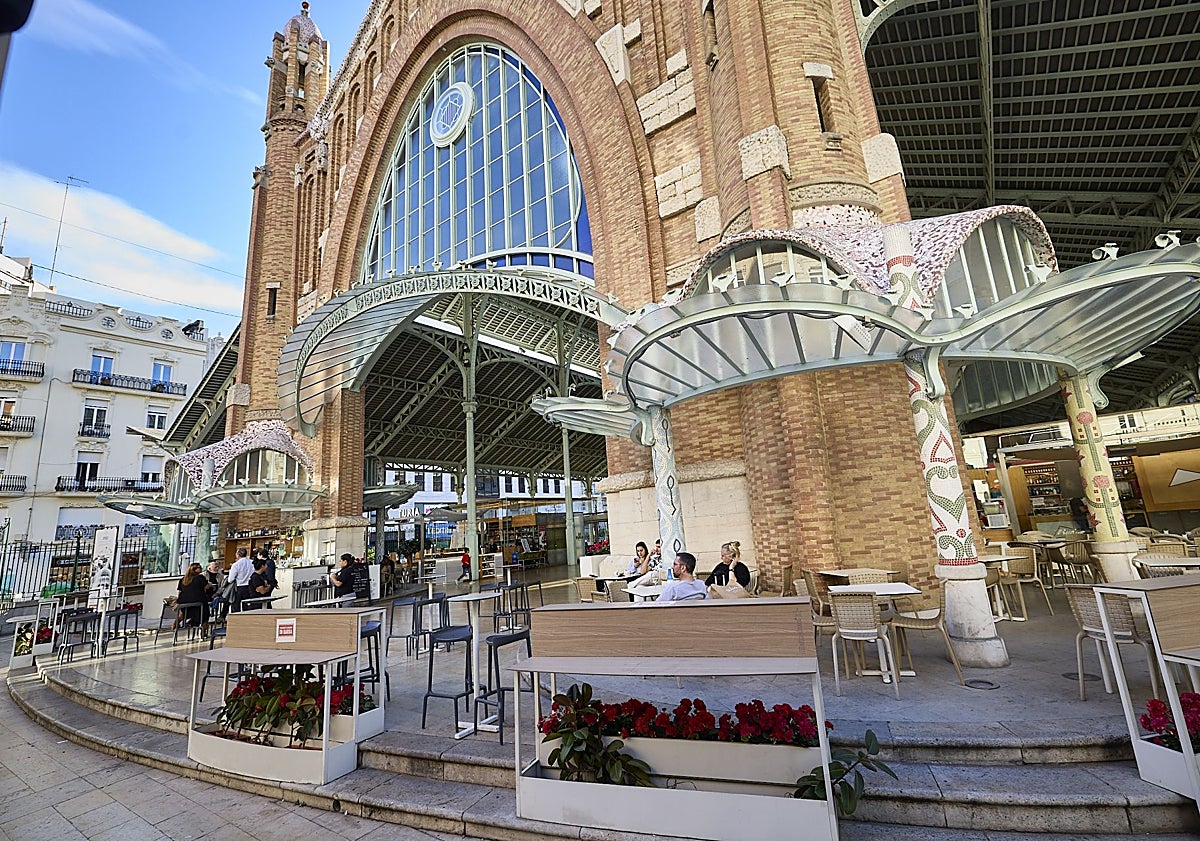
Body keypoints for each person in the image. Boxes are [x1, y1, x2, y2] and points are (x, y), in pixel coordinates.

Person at [175, 562, 212, 634]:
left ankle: (179, 622)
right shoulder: (200, 578)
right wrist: (211, 586)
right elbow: (206, 587)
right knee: (205, 612)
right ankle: (203, 629)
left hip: (184, 604)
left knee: (188, 611)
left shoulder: (183, 579)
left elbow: (180, 592)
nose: (201, 569)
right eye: (200, 568)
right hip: (198, 602)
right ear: (195, 570)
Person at [228, 547, 254, 612]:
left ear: (238, 555)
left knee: (236, 606)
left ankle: (237, 621)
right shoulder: (252, 563)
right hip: (250, 586)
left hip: (239, 587)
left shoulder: (236, 565)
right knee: (248, 606)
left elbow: (230, 579)